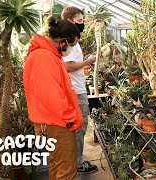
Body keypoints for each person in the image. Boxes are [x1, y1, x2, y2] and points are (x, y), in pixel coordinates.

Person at [23, 16, 83, 180]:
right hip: (57, 123)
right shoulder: (44, 57)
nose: (70, 50)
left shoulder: (46, 55)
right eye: (71, 45)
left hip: (50, 122)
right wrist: (70, 117)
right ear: (62, 41)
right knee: (66, 170)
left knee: (57, 166)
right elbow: (51, 96)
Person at [61, 6, 98, 174]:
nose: (82, 24)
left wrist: (83, 66)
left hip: (76, 88)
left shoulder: (70, 40)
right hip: (75, 92)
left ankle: (75, 161)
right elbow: (68, 66)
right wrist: (88, 61)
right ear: (69, 21)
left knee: (78, 127)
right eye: (80, 21)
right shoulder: (68, 43)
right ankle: (76, 164)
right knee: (79, 126)